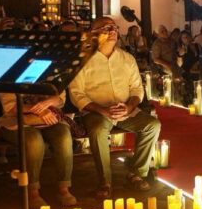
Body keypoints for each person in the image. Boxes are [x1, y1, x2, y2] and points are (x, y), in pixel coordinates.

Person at [69, 17, 161, 199]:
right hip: (96, 111)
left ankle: (137, 173)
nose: (112, 31)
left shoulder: (127, 58)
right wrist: (102, 110)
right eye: (105, 28)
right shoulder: (83, 59)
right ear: (93, 33)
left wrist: (128, 107)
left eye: (114, 27)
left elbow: (136, 89)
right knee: (97, 130)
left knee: (152, 125)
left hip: (125, 109)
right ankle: (105, 181)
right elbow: (76, 94)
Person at [0, 92, 76, 209]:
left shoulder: (51, 73)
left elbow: (60, 98)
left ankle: (64, 188)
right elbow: (10, 107)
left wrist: (49, 102)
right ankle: (33, 191)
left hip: (48, 119)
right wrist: (38, 109)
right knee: (34, 141)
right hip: (17, 121)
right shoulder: (10, 76)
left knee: (63, 136)